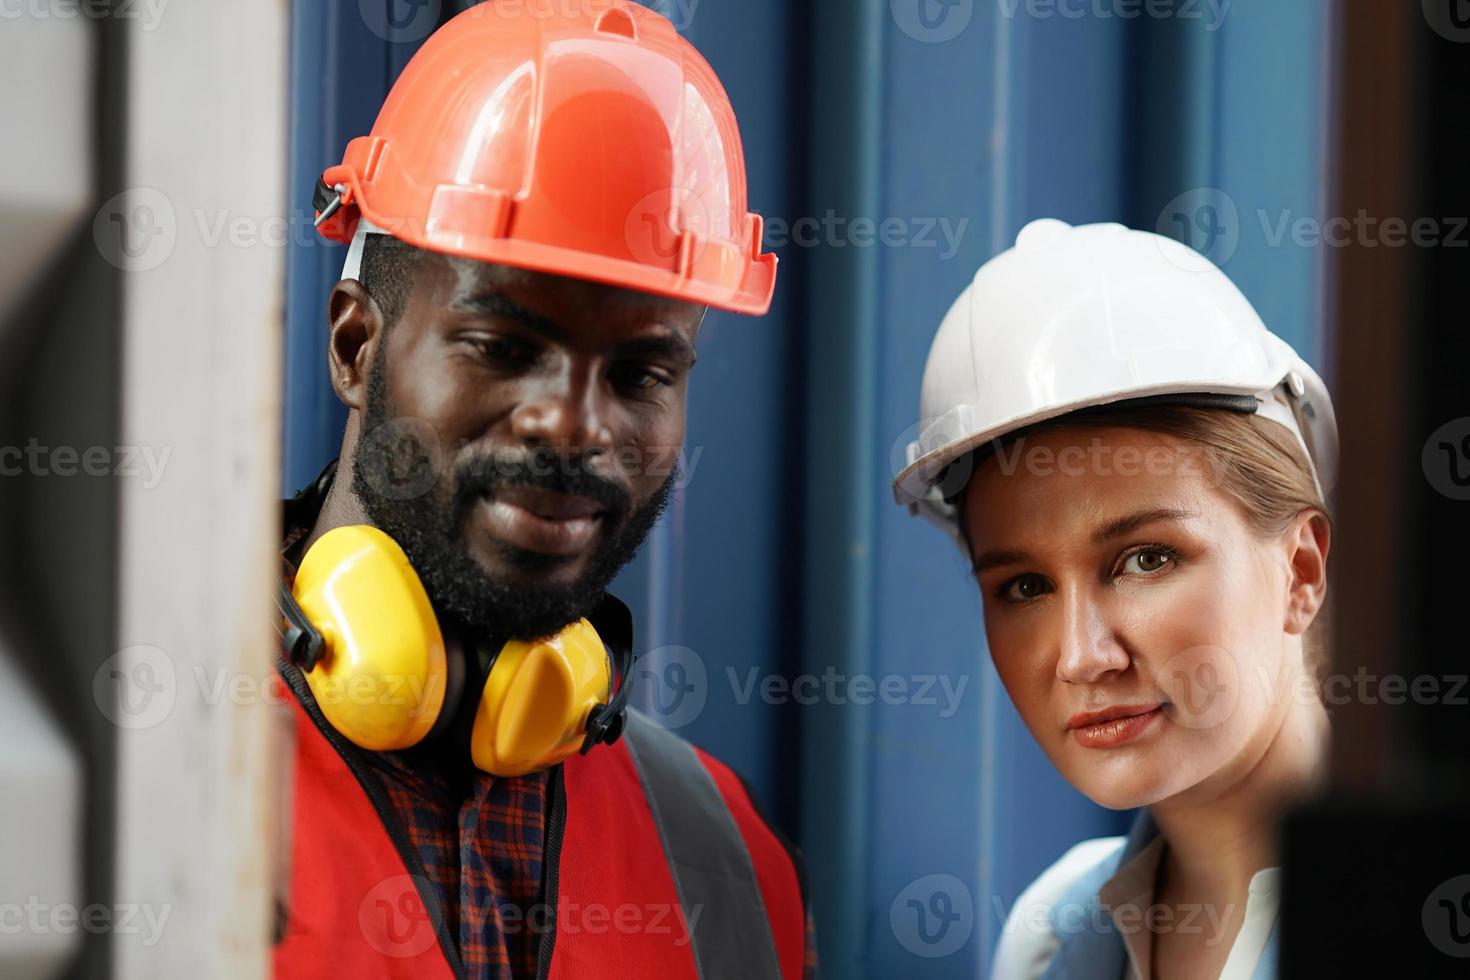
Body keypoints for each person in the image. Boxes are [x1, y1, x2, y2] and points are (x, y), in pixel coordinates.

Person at [271, 5, 812, 978]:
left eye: (642, 372)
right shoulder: (137, 777)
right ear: (358, 345)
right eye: (503, 347)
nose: (572, 426)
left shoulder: (727, 868)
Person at [892, 219, 1338, 979]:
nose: (1080, 656)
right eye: (1024, 586)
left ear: (1299, 572)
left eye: (1145, 558)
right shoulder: (1048, 937)